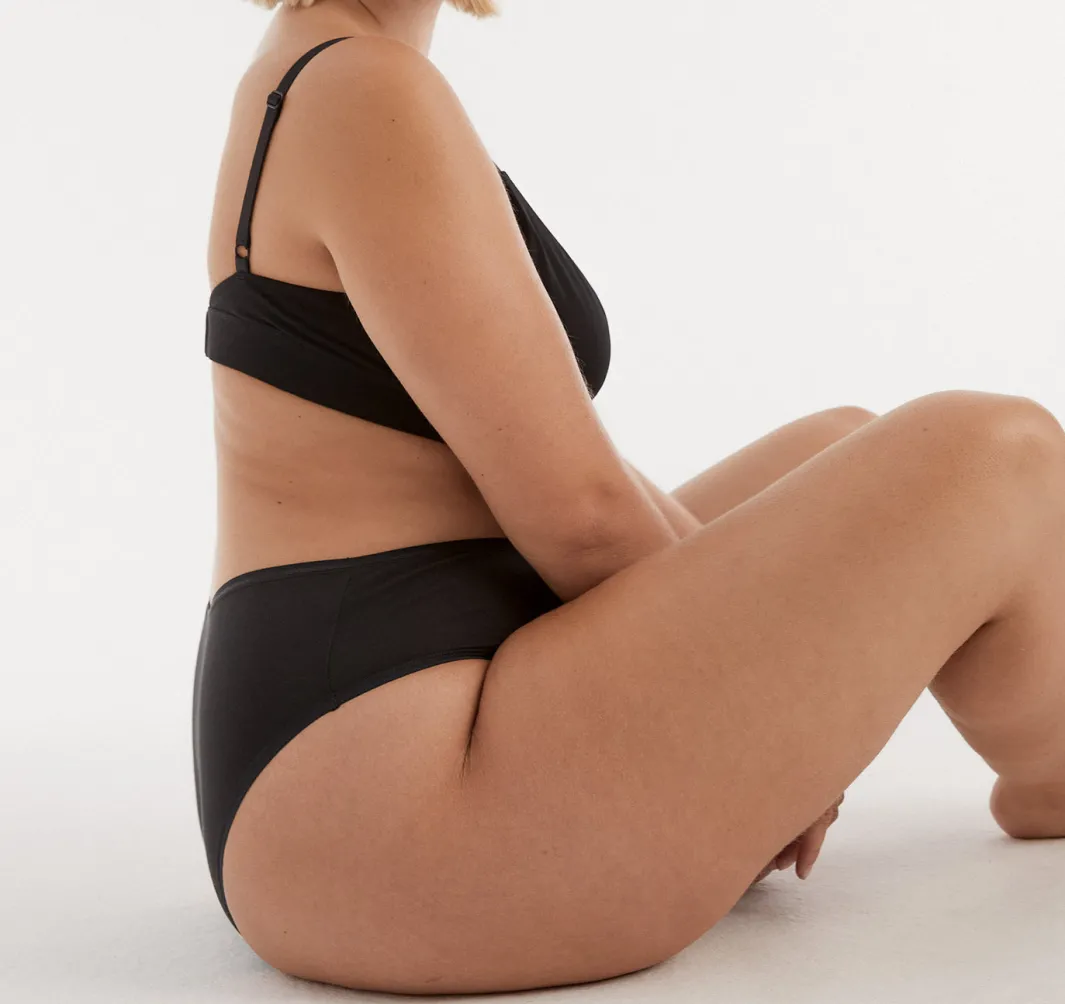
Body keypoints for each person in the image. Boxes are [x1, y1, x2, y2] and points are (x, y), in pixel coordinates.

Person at [192, 0, 1065, 994]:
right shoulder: (366, 88)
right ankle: (1055, 778)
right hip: (395, 810)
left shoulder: (324, 68)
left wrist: (765, 676)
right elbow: (583, 517)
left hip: (355, 738)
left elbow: (548, 464)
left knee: (843, 444)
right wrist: (781, 743)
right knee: (1002, 458)